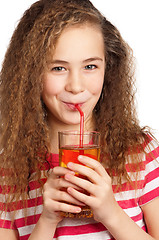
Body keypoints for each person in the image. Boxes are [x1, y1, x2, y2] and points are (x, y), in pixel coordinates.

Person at [0, 0, 159, 239]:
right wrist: (48, 219)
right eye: (58, 68)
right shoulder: (9, 172)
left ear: (109, 68)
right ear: (29, 74)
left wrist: (111, 213)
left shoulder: (141, 153)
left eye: (90, 66)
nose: (76, 86)